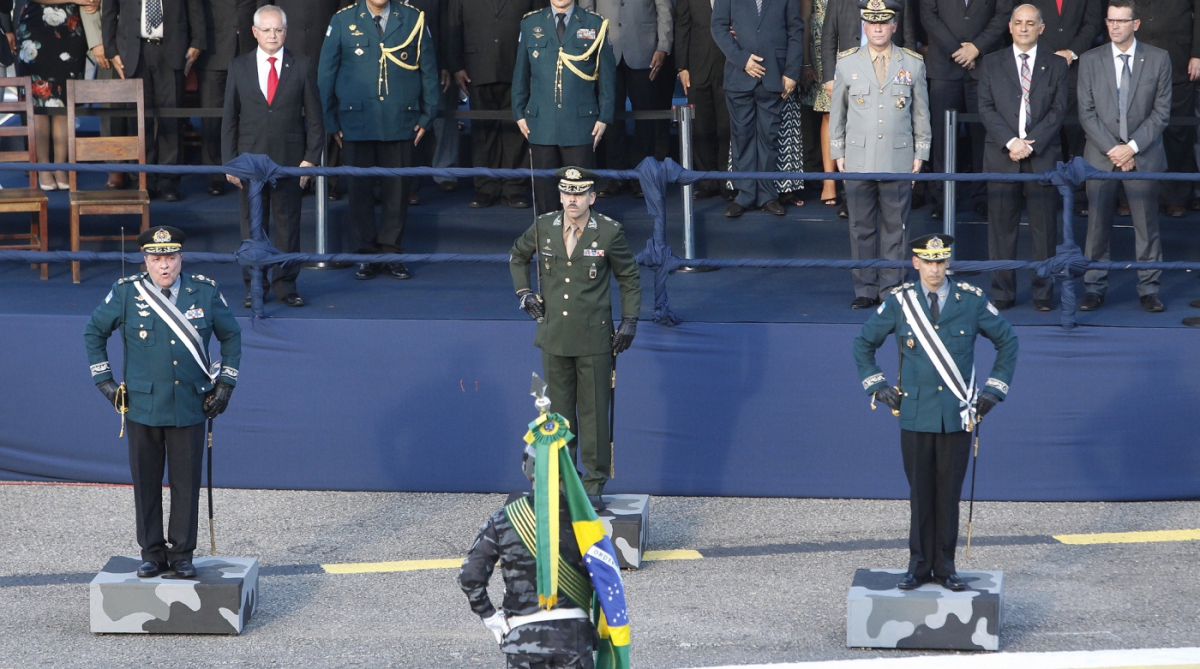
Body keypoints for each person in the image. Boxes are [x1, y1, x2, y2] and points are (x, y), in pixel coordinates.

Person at [854, 233, 1018, 592]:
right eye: (927, 262)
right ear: (915, 263)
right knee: (920, 493)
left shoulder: (971, 301)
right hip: (914, 414)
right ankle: (918, 565)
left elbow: (1008, 341)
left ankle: (945, 566)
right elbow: (864, 343)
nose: (934, 269)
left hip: (957, 414)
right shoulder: (900, 303)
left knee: (948, 493)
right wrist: (877, 385)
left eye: (940, 261)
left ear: (948, 264)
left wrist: (994, 389)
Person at [84, 226, 241, 579]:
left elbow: (231, 334)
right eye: (157, 259)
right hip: (142, 405)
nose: (164, 266)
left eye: (170, 258)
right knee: (146, 481)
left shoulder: (204, 291)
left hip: (190, 403)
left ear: (181, 258)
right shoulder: (126, 293)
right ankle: (152, 552)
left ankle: (183, 553)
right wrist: (104, 380)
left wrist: (227, 383)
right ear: (145, 261)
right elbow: (94, 332)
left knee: (186, 482)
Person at [459, 385, 631, 669]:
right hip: (574, 641)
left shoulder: (503, 520)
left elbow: (469, 577)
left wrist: (491, 618)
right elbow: (605, 579)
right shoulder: (586, 525)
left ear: (527, 471)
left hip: (522, 642)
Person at [509, 167, 640, 509]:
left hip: (594, 337)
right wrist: (524, 292)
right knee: (558, 416)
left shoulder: (609, 232)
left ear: (592, 197)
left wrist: (629, 320)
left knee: (595, 413)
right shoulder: (544, 226)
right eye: (567, 193)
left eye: (579, 194)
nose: (572, 199)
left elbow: (629, 277)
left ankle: (593, 484)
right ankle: (564, 483)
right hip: (554, 336)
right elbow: (516, 255)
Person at [319, 0, 439, 281]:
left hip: (400, 119)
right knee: (359, 192)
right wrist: (330, 121)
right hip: (356, 120)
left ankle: (391, 253)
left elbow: (429, 70)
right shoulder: (342, 20)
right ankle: (365, 254)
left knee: (397, 191)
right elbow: (327, 73)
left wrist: (427, 115)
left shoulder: (413, 19)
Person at [829, 0, 930, 309]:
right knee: (860, 227)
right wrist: (838, 151)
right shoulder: (847, 62)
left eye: (883, 23)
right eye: (872, 23)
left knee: (896, 227)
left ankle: (892, 288)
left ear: (894, 26)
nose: (877, 28)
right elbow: (838, 114)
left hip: (898, 157)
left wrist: (921, 152)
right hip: (858, 158)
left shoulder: (912, 63)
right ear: (864, 26)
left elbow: (921, 114)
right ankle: (865, 289)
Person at [223, 4, 324, 308]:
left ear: (285, 31)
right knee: (252, 227)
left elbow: (316, 119)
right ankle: (255, 285)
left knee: (288, 225)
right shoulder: (238, 66)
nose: (272, 35)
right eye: (266, 30)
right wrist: (230, 162)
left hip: (289, 160)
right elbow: (230, 117)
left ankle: (286, 285)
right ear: (254, 32)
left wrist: (310, 159)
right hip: (249, 161)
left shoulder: (303, 64)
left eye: (278, 29)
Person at [1077, 0, 1171, 313]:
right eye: (1110, 21)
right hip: (1101, 155)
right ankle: (1094, 286)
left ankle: (1148, 288)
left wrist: (1130, 148)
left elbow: (1161, 113)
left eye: (1121, 21)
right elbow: (1086, 113)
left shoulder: (1159, 59)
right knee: (1097, 224)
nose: (1115, 26)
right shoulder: (1090, 60)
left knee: (1147, 225)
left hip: (1143, 155)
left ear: (1136, 24)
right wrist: (1115, 150)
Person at [977, 3, 1069, 311]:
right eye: (1019, 22)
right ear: (1010, 27)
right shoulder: (991, 63)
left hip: (1041, 156)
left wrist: (1032, 143)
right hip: (1002, 156)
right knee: (1001, 230)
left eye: (1031, 23)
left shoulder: (1056, 65)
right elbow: (986, 108)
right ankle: (1002, 294)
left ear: (1041, 29)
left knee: (1045, 231)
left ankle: (1043, 295)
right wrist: (1011, 141)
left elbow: (1058, 110)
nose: (1025, 27)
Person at [512, 0, 615, 215]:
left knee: (580, 199)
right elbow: (520, 71)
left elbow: (607, 76)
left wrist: (604, 117)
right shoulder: (531, 23)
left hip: (580, 124)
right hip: (541, 123)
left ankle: (578, 247)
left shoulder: (594, 23)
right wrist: (519, 112)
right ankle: (550, 248)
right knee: (545, 198)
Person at [102, 0, 207, 202]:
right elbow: (109, 10)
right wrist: (111, 49)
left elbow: (194, 6)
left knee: (170, 119)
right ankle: (143, 179)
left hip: (172, 48)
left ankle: (168, 180)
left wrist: (198, 40)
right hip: (133, 50)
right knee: (139, 120)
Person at [711, 0, 804, 218]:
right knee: (742, 137)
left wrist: (792, 71)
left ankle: (767, 195)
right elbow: (718, 26)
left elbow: (795, 30)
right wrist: (742, 60)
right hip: (739, 75)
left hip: (775, 75)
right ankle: (745, 194)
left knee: (769, 139)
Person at [921, 0, 1013, 219]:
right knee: (942, 137)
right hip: (944, 65)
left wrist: (976, 48)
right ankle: (942, 198)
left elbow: (1004, 14)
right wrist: (957, 51)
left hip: (985, 64)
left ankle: (983, 197)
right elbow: (928, 16)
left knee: (984, 137)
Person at [445, 0, 537, 210]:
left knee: (517, 130)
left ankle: (514, 187)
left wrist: (536, 65)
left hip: (517, 65)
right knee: (483, 132)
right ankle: (486, 187)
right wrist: (456, 65)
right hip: (477, 66)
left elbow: (538, 22)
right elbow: (454, 27)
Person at [589, 0, 673, 199]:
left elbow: (664, 8)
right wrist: (590, 47)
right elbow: (587, 10)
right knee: (610, 116)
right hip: (605, 49)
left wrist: (663, 45)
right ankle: (615, 175)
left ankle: (640, 174)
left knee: (646, 116)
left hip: (646, 50)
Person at [15, 0, 101, 191]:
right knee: (39, 103)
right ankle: (43, 167)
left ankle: (61, 166)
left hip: (71, 29)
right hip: (37, 26)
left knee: (63, 103)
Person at [196, 0, 255, 198]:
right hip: (214, 47)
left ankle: (249, 170)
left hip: (251, 45)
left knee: (251, 115)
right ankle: (215, 176)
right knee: (212, 118)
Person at [676, 0, 731, 200]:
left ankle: (727, 181)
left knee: (727, 128)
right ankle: (707, 181)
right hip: (696, 69)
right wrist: (682, 67)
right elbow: (682, 25)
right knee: (700, 128)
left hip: (729, 67)